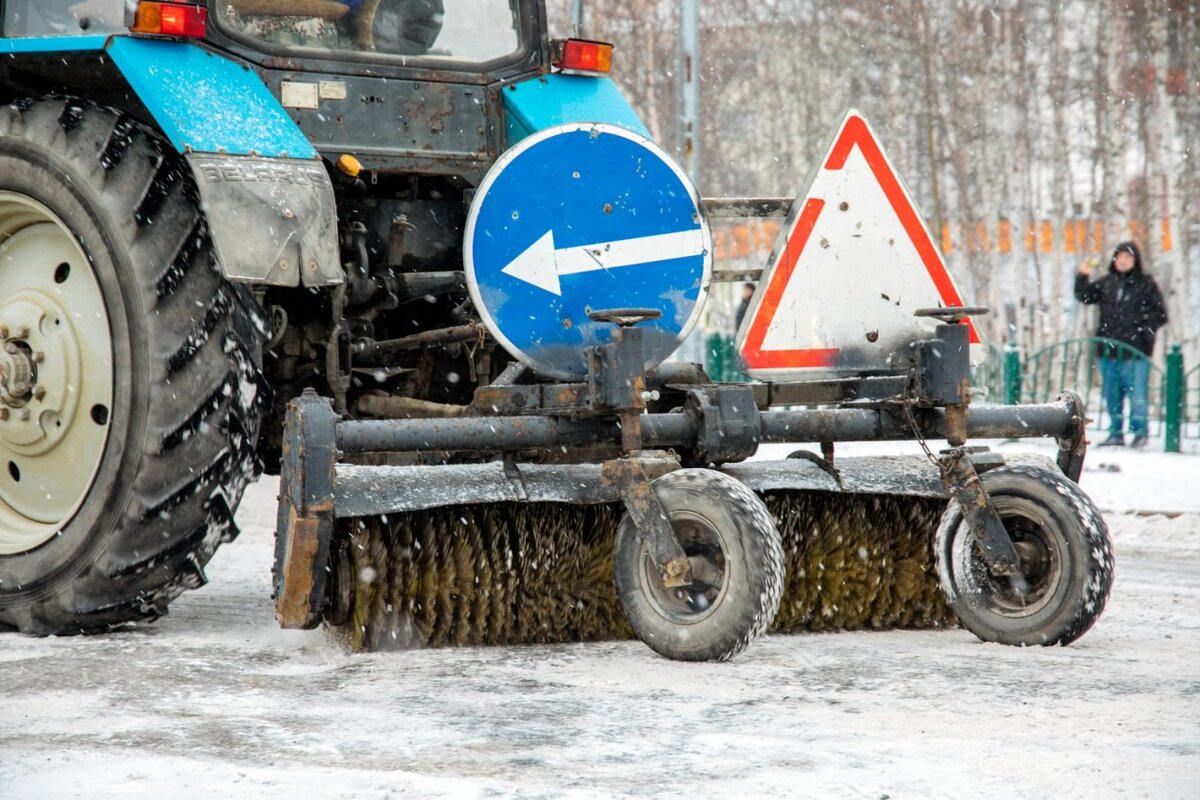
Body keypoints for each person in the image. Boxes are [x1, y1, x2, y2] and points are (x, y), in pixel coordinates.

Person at [1074, 241, 1167, 448]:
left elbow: (1159, 314)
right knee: (1112, 395)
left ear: (1136, 261)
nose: (1123, 261)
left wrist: (1142, 332)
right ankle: (1115, 433)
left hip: (1135, 352)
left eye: (1128, 257)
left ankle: (1139, 433)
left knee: (1137, 397)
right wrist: (1082, 276)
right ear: (1114, 260)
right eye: (1120, 257)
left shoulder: (1146, 284)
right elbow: (1085, 296)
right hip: (1108, 351)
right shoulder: (1107, 283)